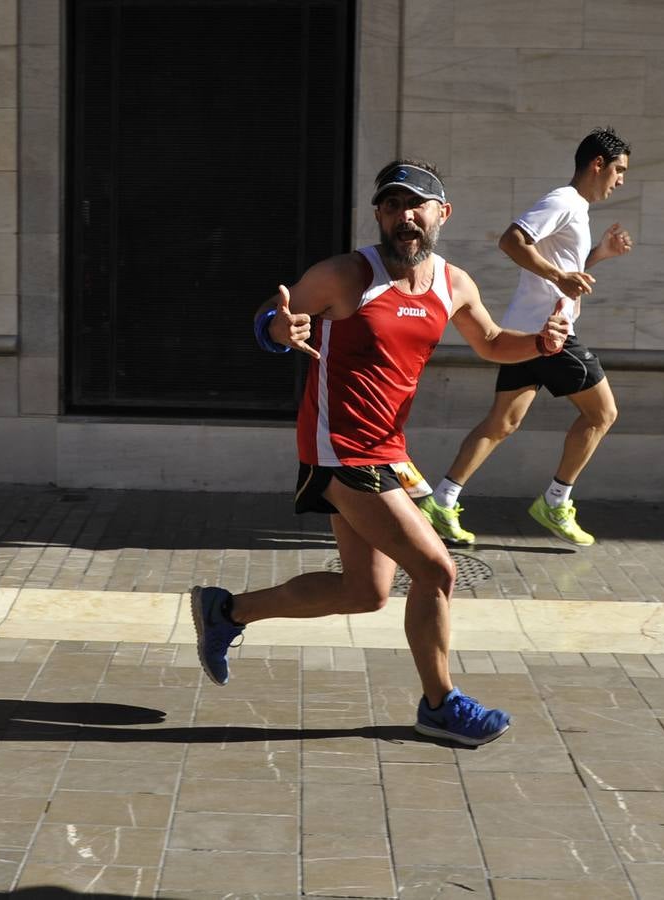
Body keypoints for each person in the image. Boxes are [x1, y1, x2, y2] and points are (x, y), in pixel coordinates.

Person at [195, 159, 568, 746]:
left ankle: (227, 611)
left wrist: (541, 344)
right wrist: (278, 331)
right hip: (339, 449)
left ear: (442, 214)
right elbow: (272, 313)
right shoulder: (347, 275)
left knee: (365, 593)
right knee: (437, 570)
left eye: (417, 205)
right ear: (380, 215)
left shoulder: (453, 283)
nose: (404, 217)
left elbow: (492, 342)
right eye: (392, 206)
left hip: (387, 451)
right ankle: (440, 705)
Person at [420, 128, 632, 547]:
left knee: (502, 422)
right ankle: (556, 501)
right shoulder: (564, 201)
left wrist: (597, 257)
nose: (621, 179)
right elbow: (511, 240)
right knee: (602, 414)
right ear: (597, 164)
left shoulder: (577, 209)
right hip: (549, 334)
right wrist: (559, 276)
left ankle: (442, 501)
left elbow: (564, 270)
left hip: (527, 330)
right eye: (619, 170)